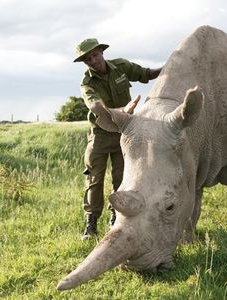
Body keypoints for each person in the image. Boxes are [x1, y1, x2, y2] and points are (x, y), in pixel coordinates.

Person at [73, 38, 162, 240]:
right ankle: (91, 222)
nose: (93, 61)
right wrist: (122, 111)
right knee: (94, 179)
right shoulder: (87, 83)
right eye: (88, 60)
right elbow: (95, 106)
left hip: (125, 133)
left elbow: (146, 74)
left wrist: (169, 66)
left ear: (101, 52)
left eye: (95, 55)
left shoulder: (121, 66)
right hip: (100, 135)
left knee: (122, 178)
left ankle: (116, 218)